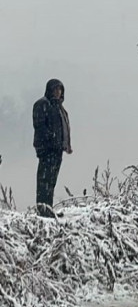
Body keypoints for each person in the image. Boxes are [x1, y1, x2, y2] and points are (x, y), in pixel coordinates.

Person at [32, 79, 72, 218]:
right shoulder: (42, 104)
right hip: (47, 150)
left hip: (57, 150)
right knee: (44, 181)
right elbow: (40, 126)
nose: (58, 92)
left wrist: (66, 145)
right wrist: (51, 139)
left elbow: (64, 127)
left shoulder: (59, 108)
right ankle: (42, 210)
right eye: (55, 89)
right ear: (49, 90)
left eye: (60, 89)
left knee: (51, 182)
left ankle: (48, 209)